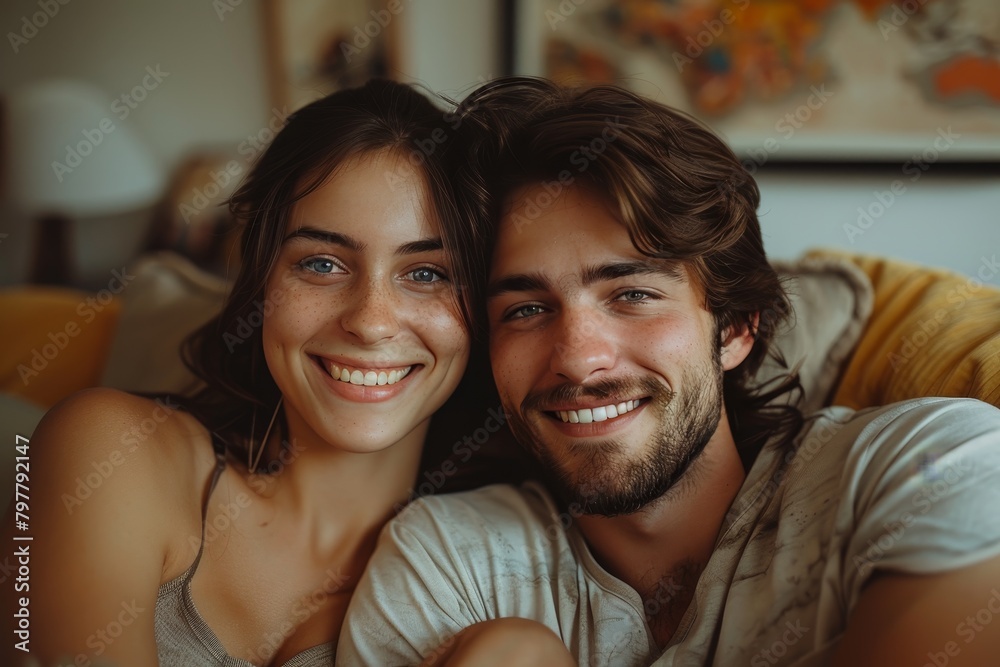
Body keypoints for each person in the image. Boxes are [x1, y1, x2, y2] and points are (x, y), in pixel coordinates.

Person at [337, 77, 1000, 666]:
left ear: (736, 327)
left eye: (633, 295)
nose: (577, 356)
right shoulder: (448, 561)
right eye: (527, 308)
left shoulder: (931, 461)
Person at [0, 79, 493, 666]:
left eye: (428, 273)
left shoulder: (503, 582)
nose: (370, 322)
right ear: (262, 280)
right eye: (322, 262)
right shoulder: (108, 448)